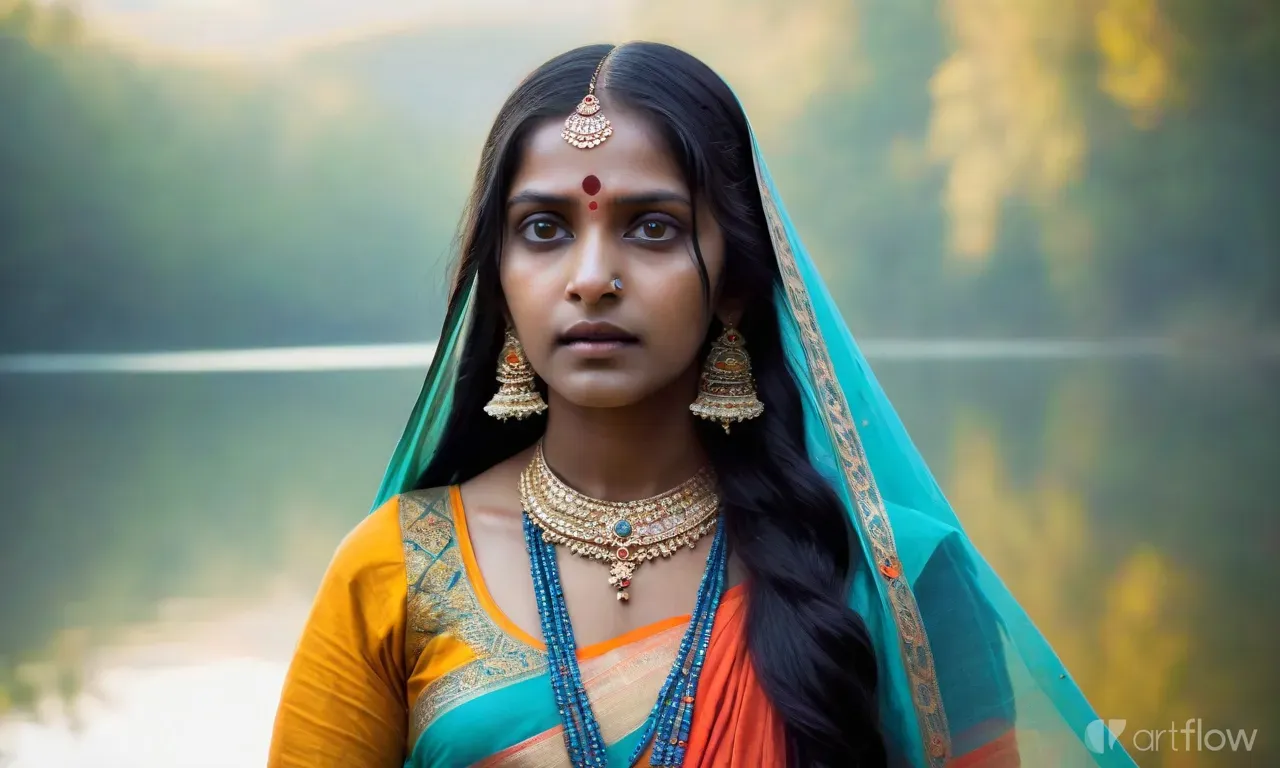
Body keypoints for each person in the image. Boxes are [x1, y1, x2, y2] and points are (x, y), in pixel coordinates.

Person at [268, 42, 1138, 768]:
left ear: (733, 285)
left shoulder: (891, 576)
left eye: (652, 227)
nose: (592, 278)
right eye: (544, 229)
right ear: (498, 278)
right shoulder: (396, 573)